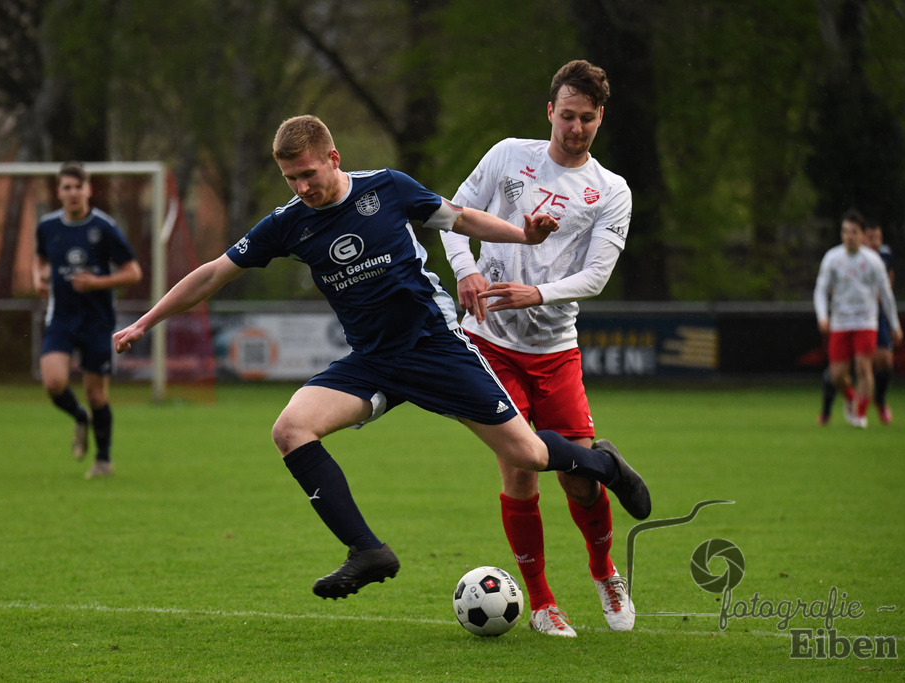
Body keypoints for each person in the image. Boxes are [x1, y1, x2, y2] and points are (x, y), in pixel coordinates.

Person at [113, 115, 651, 601]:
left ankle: (604, 464)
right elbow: (212, 272)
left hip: (434, 345)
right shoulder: (289, 222)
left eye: (309, 175)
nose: (303, 188)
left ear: (333, 159)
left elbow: (460, 219)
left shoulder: (387, 188)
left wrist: (523, 236)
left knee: (530, 457)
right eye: (291, 180)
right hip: (372, 360)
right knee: (291, 430)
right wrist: (144, 321)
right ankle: (368, 552)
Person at [441, 59, 634, 636]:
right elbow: (450, 217)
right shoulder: (507, 156)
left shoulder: (611, 191)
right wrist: (466, 273)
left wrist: (536, 294)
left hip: (556, 348)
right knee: (520, 470)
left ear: (601, 119)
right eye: (566, 116)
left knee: (580, 476)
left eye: (587, 119)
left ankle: (603, 572)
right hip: (491, 344)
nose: (575, 128)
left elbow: (596, 277)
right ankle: (543, 602)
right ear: (549, 111)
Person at [33, 162, 143, 478]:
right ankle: (79, 417)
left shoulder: (104, 227)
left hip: (96, 321)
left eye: (77, 187)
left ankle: (103, 460)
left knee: (97, 393)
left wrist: (96, 283)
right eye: (66, 187)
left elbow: (133, 272)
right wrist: (38, 277)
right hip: (62, 318)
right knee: (54, 382)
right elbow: (39, 258)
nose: (72, 193)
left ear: (88, 190)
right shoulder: (47, 226)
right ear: (59, 192)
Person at [813, 209, 901, 428]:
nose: (848, 236)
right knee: (837, 375)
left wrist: (894, 324)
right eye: (845, 232)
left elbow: (886, 295)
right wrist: (823, 316)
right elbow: (820, 289)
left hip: (865, 322)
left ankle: (860, 415)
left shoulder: (873, 261)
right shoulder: (833, 258)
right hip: (840, 322)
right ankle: (851, 397)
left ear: (862, 235)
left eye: (853, 232)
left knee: (864, 368)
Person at [864, 221, 895, 424]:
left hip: (876, 314)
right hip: (851, 315)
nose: (875, 242)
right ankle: (827, 409)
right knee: (841, 368)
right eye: (871, 238)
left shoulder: (884, 255)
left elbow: (889, 284)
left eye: (878, 238)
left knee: (884, 360)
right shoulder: (849, 256)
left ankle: (880, 400)